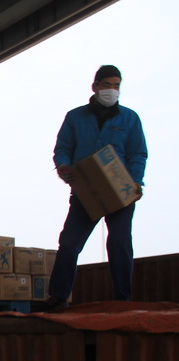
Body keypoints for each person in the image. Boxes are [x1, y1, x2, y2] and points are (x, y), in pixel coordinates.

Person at [46, 65, 147, 310]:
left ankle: (122, 300)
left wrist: (135, 182)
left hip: (120, 192)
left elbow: (138, 153)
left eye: (116, 86)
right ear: (95, 87)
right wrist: (63, 167)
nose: (112, 90)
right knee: (69, 243)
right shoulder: (75, 117)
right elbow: (63, 148)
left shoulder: (130, 118)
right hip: (85, 191)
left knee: (119, 243)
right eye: (107, 85)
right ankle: (58, 297)